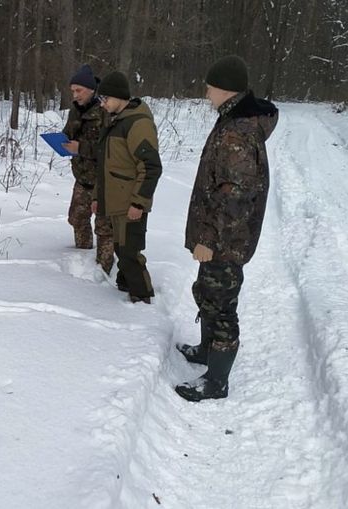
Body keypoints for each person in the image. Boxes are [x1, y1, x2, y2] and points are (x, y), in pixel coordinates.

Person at [175, 55, 278, 401]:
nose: (206, 92)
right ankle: (207, 351)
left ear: (224, 89)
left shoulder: (238, 130)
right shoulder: (232, 119)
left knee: (221, 307)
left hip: (225, 240)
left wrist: (208, 239)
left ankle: (216, 382)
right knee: (208, 293)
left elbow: (235, 195)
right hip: (221, 238)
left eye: (210, 86)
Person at [91, 71, 162, 304]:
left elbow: (151, 167)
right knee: (121, 249)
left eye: (105, 99)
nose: (102, 105)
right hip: (116, 202)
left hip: (131, 204)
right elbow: (105, 165)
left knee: (130, 253)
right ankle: (125, 285)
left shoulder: (138, 124)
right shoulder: (116, 121)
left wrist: (138, 202)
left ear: (119, 97)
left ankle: (142, 298)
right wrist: (97, 197)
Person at [62, 64, 114, 274]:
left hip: (103, 181)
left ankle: (104, 271)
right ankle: (81, 258)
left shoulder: (105, 111)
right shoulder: (75, 110)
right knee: (77, 217)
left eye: (79, 90)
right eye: (72, 91)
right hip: (82, 177)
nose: (75, 95)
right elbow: (69, 133)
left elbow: (111, 149)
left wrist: (81, 147)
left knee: (104, 228)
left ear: (91, 89)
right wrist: (63, 142)